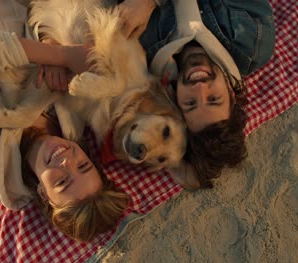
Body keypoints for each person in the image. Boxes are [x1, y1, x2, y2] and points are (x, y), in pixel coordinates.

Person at [0, 0, 128, 242]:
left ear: (44, 194)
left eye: (62, 181)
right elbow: (41, 19)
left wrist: (61, 55)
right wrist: (49, 42)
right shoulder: (70, 115)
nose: (66, 160)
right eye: (83, 166)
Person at [117, 0, 276, 187]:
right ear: (232, 96)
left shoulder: (143, 54)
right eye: (214, 99)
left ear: (176, 102)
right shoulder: (253, 38)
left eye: (190, 103)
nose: (200, 88)